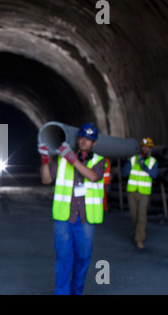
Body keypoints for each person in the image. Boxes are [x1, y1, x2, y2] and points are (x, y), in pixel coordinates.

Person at [38, 122, 105, 295]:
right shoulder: (62, 159)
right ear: (77, 139)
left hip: (85, 221)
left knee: (82, 259)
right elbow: (46, 180)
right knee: (63, 260)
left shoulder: (99, 161)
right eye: (82, 138)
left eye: (88, 139)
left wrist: (71, 159)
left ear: (94, 143)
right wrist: (45, 161)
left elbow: (93, 176)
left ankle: (76, 292)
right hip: (64, 219)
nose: (84, 141)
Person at [122, 137, 158, 249]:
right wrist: (128, 163)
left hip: (144, 193)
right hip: (132, 191)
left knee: (141, 215)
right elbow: (124, 173)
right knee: (134, 216)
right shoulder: (133, 159)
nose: (145, 149)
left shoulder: (153, 162)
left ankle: (139, 239)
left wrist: (144, 166)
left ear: (150, 149)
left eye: (147, 147)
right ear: (141, 148)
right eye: (143, 147)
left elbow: (154, 175)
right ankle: (138, 233)